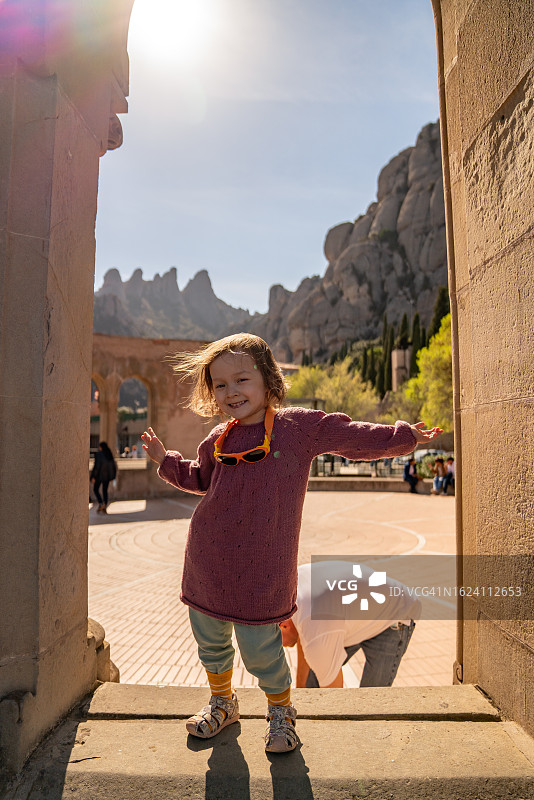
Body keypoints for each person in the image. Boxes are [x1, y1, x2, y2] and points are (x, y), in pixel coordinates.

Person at [141, 333, 442, 753]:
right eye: (220, 385)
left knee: (261, 651)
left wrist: (404, 436)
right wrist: (164, 459)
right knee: (211, 643)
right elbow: (199, 479)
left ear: (268, 380)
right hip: (207, 563)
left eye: (242, 380)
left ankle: (280, 714)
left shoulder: (298, 428)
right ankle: (222, 703)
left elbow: (352, 436)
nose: (231, 392)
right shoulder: (217, 440)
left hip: (264, 571)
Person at [280, 561, 421, 688]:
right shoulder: (291, 602)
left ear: (284, 626)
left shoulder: (316, 630)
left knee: (371, 703)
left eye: (278, 643)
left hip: (394, 617)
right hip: (352, 616)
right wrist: (301, 696)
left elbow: (334, 695)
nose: (283, 647)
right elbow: (303, 637)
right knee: (314, 685)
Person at [90, 441, 117, 513]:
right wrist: (112, 477)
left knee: (96, 489)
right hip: (107, 477)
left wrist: (93, 476)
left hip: (99, 476)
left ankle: (101, 503)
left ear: (101, 447)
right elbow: (113, 467)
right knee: (105, 491)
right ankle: (104, 505)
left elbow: (97, 467)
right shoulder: (109, 454)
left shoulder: (99, 454)